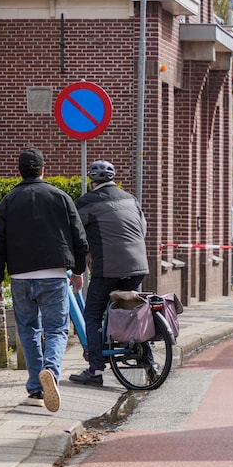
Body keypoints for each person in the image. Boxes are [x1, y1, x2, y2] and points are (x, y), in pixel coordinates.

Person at [0, 148, 88, 412]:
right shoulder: (61, 197)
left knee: (28, 330)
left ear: (18, 172)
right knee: (56, 329)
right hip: (54, 275)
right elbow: (79, 237)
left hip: (20, 277)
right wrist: (78, 271)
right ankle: (51, 373)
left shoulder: (8, 201)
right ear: (44, 170)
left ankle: (35, 389)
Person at [69, 160, 149, 387]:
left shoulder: (86, 202)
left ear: (92, 181)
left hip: (108, 268)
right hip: (138, 266)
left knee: (92, 316)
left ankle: (95, 370)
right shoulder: (131, 199)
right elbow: (142, 229)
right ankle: (146, 357)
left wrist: (83, 258)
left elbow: (76, 235)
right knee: (129, 309)